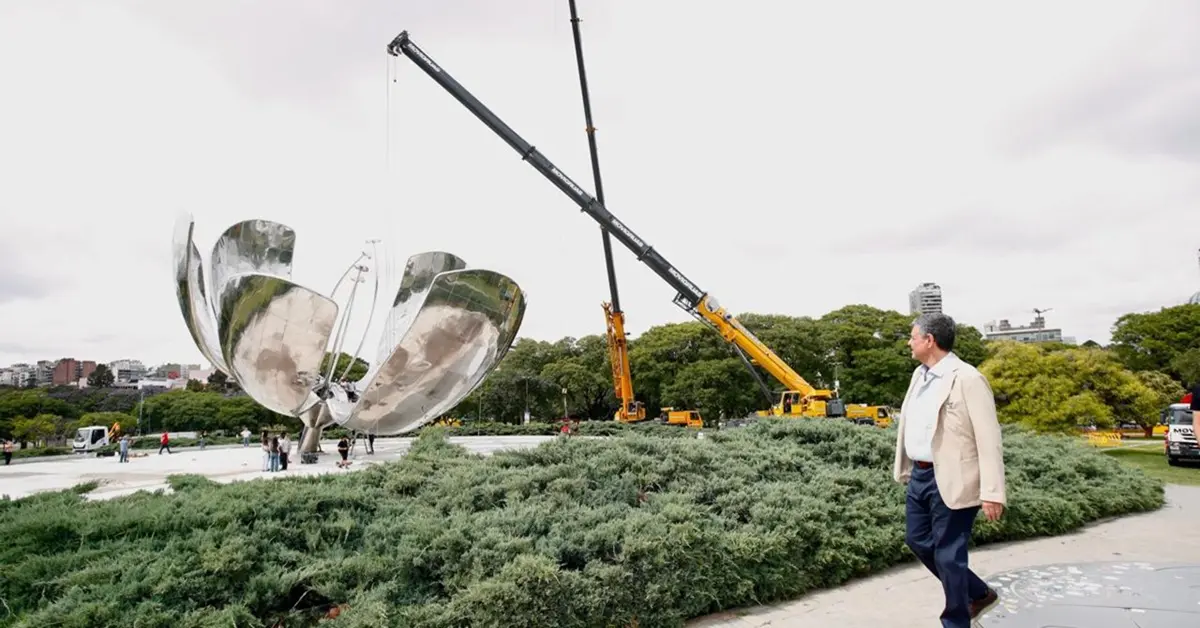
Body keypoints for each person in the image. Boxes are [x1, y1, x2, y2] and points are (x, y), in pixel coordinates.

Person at [894, 313, 1006, 628]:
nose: (909, 342)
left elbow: (989, 438)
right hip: (920, 475)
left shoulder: (967, 378)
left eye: (913, 337)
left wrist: (992, 492)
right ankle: (978, 591)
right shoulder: (919, 376)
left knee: (948, 555)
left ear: (929, 340)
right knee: (917, 541)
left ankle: (955, 622)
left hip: (955, 477)